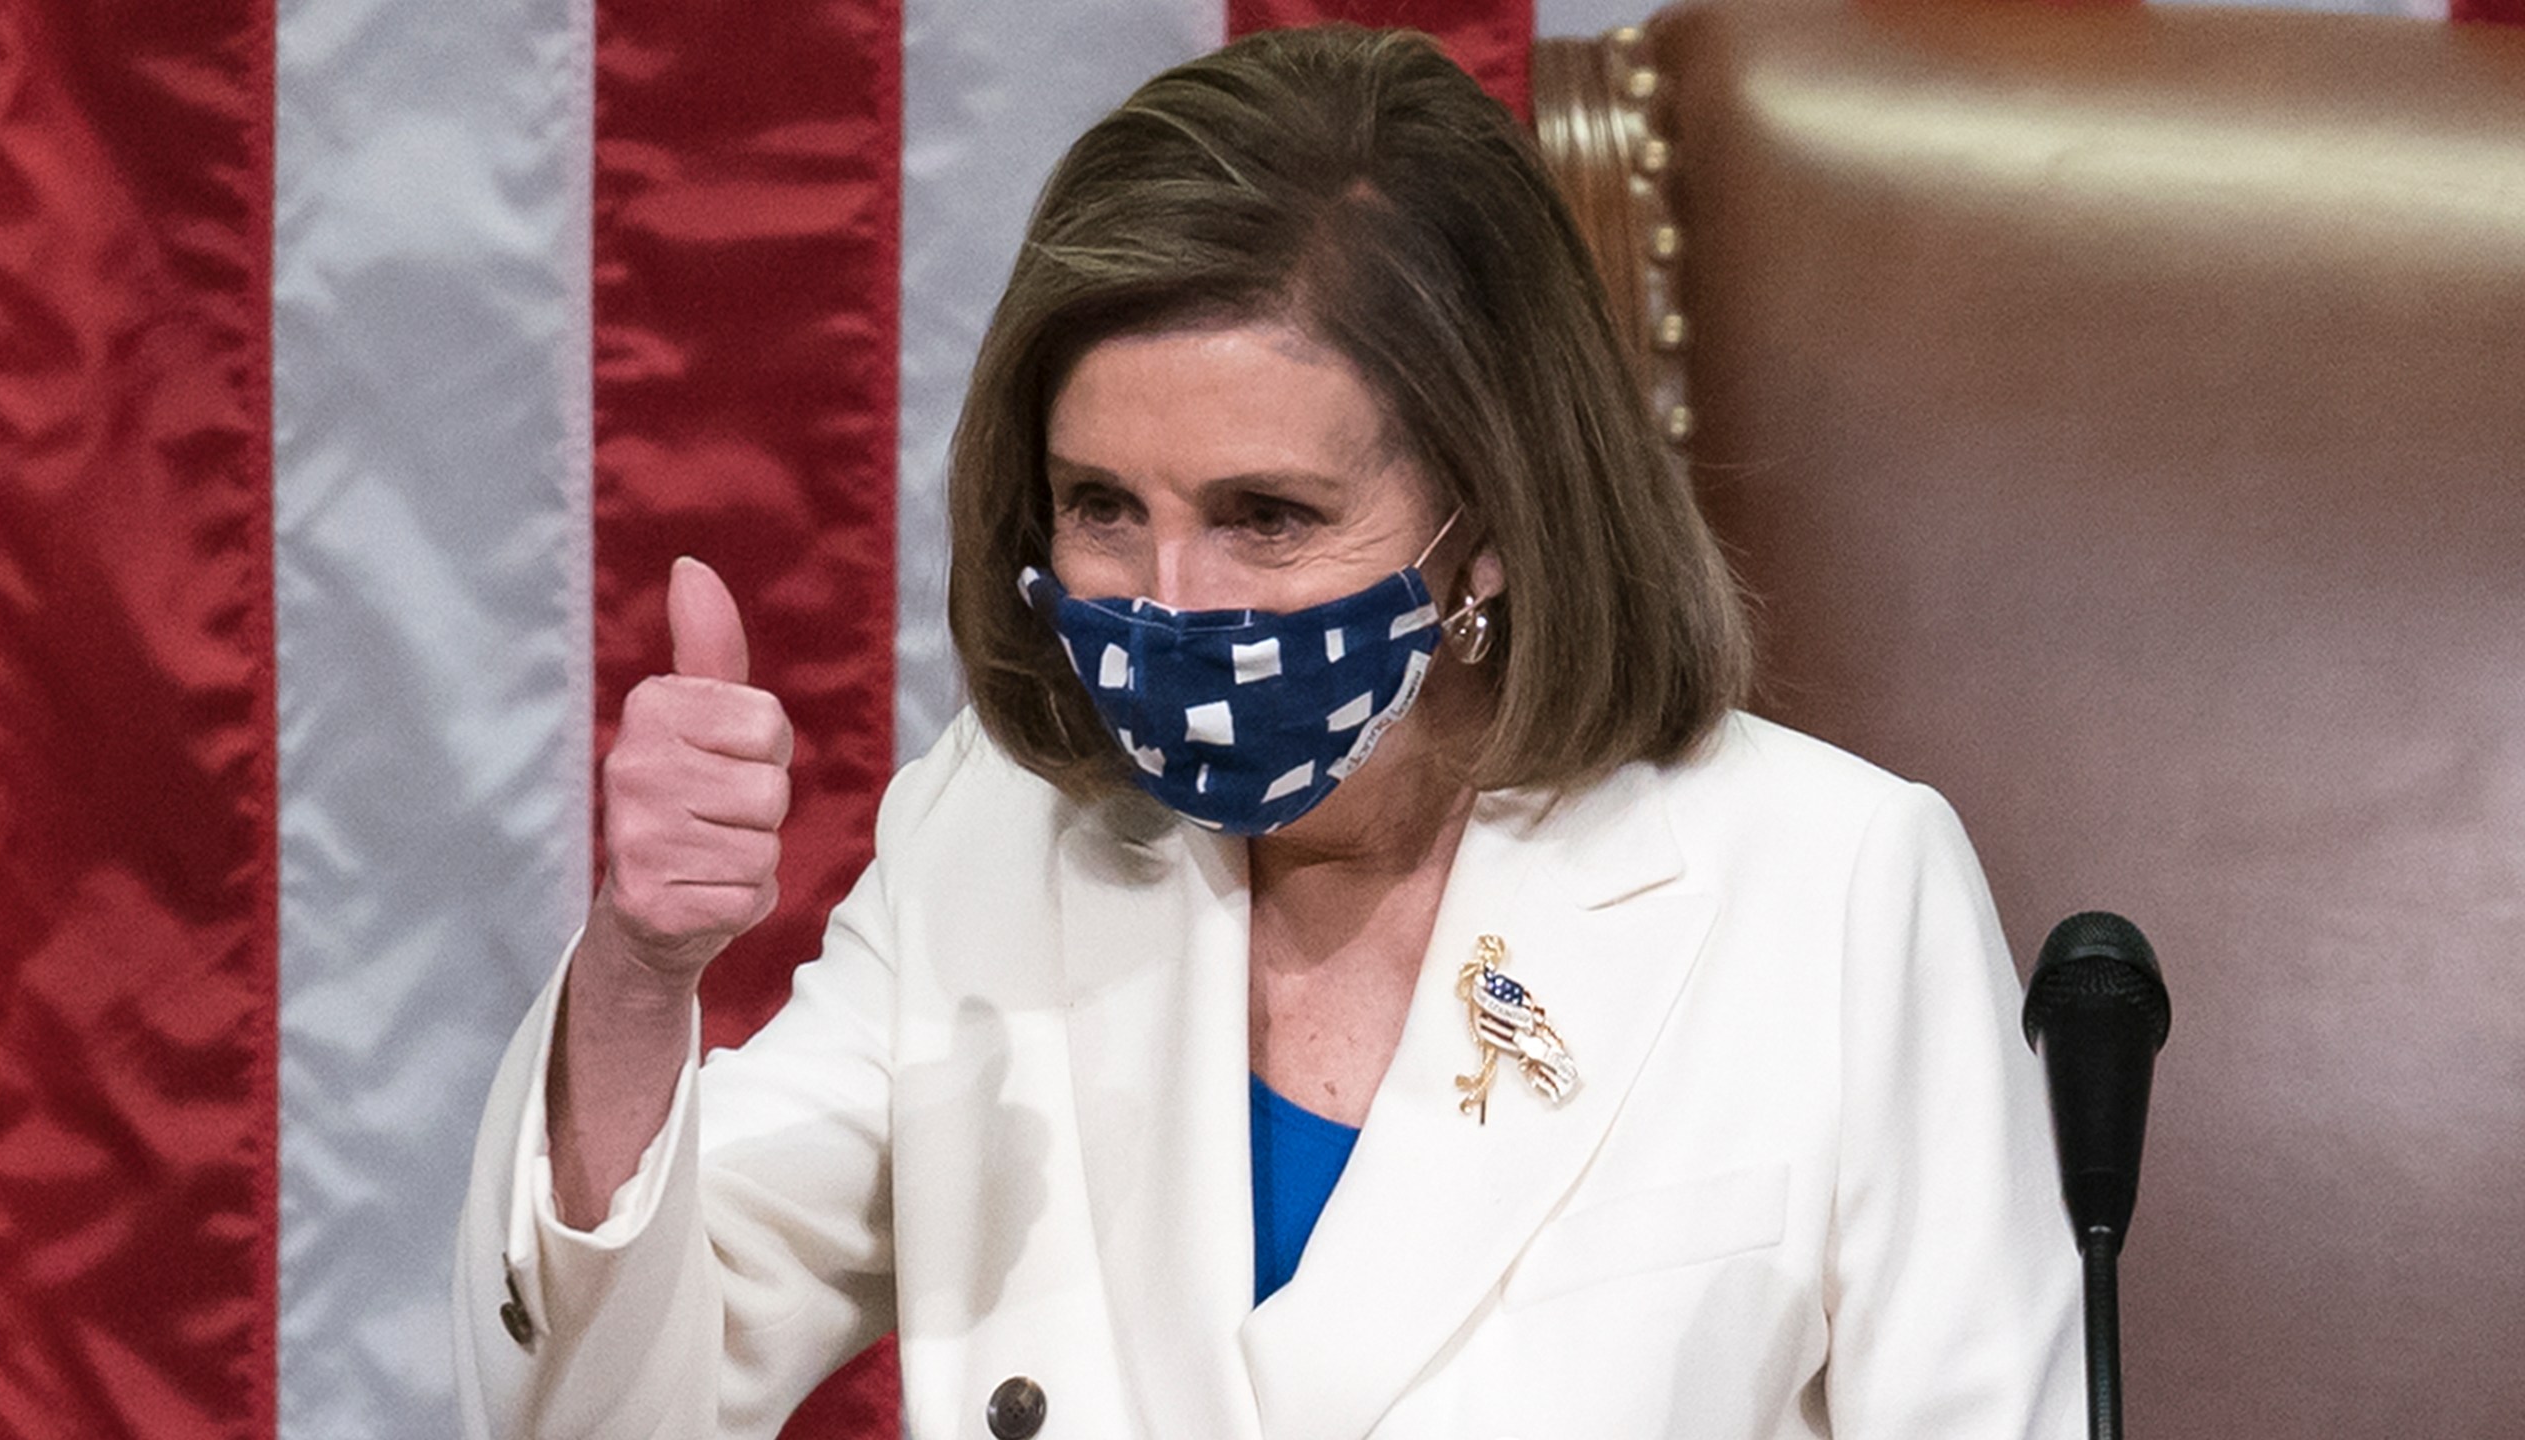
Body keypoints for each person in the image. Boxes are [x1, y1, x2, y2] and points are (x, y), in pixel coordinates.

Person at [454, 24, 2081, 1440]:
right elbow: (595, 1410)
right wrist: (638, 979)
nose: (1174, 606)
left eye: (1267, 515)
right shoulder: (992, 840)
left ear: (1496, 506)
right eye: (1102, 507)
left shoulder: (1837, 889)